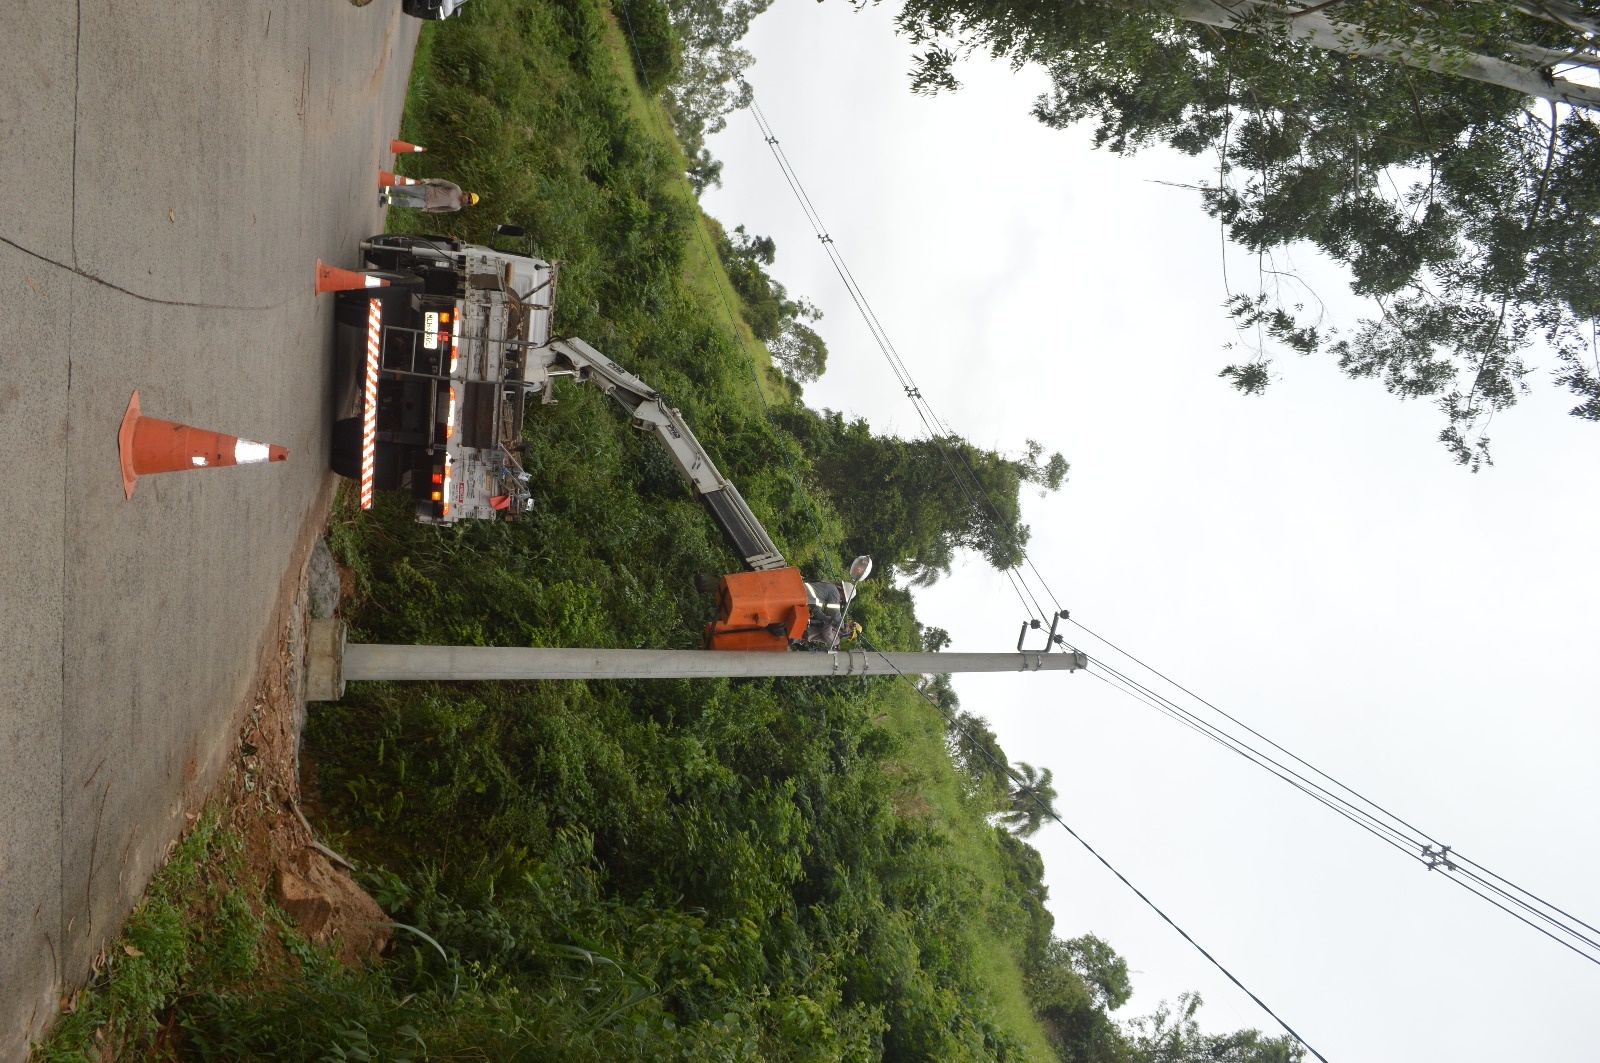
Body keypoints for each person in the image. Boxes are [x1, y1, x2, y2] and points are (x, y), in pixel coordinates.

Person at [380, 179, 480, 212]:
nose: (467, 200)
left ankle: (386, 200)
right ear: (468, 193)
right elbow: (441, 182)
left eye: (469, 202)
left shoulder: (457, 207)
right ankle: (387, 189)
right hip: (427, 191)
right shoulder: (456, 188)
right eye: (469, 198)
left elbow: (440, 209)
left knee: (408, 203)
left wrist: (428, 210)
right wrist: (429, 180)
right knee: (406, 190)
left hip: (427, 203)